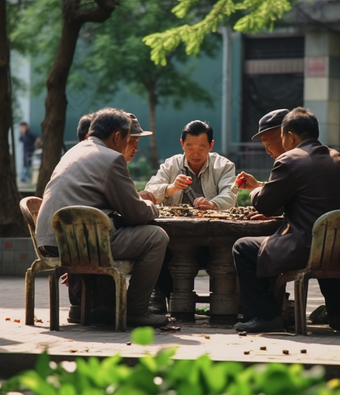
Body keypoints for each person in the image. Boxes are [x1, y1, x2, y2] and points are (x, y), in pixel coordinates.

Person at [36, 107, 170, 328]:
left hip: (49, 240)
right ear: (117, 136)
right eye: (128, 139)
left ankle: (97, 307)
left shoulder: (73, 151)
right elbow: (136, 213)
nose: (128, 145)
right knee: (156, 237)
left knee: (111, 231)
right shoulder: (112, 158)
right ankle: (136, 311)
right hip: (79, 243)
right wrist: (152, 205)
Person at [232, 107, 340, 333]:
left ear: (289, 136)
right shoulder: (335, 157)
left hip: (305, 247)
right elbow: (312, 198)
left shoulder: (289, 160)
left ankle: (265, 316)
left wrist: (253, 193)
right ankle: (337, 314)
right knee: (326, 248)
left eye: (280, 136)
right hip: (335, 245)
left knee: (243, 247)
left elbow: (264, 204)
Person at [145, 119, 237, 311]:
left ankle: (226, 304)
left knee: (225, 254)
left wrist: (213, 204)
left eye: (202, 147)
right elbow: (150, 192)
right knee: (156, 243)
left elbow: (230, 195)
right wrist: (170, 189)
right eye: (190, 147)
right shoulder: (171, 164)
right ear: (181, 144)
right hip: (174, 239)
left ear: (211, 146)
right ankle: (158, 297)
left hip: (211, 239)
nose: (195, 153)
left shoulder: (224, 166)